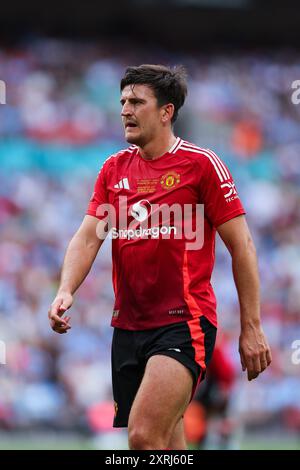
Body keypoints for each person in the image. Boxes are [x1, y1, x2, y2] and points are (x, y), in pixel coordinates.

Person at [48, 64, 272, 450]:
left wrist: (252, 326)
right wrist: (66, 289)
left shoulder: (202, 165)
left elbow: (243, 247)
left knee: (143, 438)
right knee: (168, 444)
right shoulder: (113, 169)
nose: (125, 110)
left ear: (166, 112)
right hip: (129, 326)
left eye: (136, 101)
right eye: (122, 101)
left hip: (184, 322)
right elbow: (88, 237)